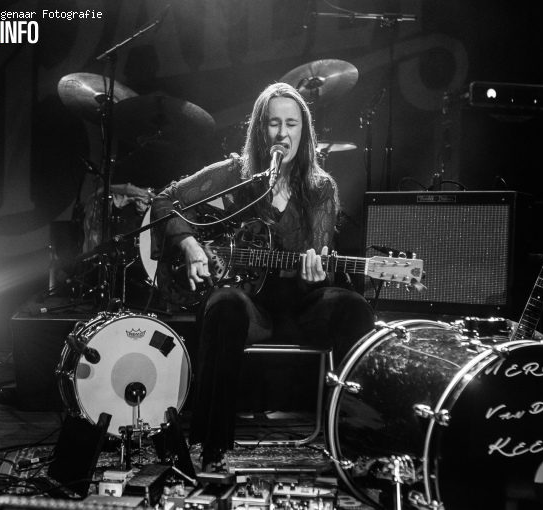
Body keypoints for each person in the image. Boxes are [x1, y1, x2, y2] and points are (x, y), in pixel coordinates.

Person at [150, 82, 376, 471]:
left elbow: (316, 265)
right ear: (260, 129)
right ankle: (213, 448)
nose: (282, 133)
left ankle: (355, 446)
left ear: (304, 132)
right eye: (274, 123)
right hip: (248, 306)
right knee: (222, 305)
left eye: (291, 124)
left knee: (353, 308)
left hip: (300, 306)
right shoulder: (235, 175)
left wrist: (314, 273)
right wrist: (189, 245)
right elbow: (164, 200)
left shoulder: (320, 189)